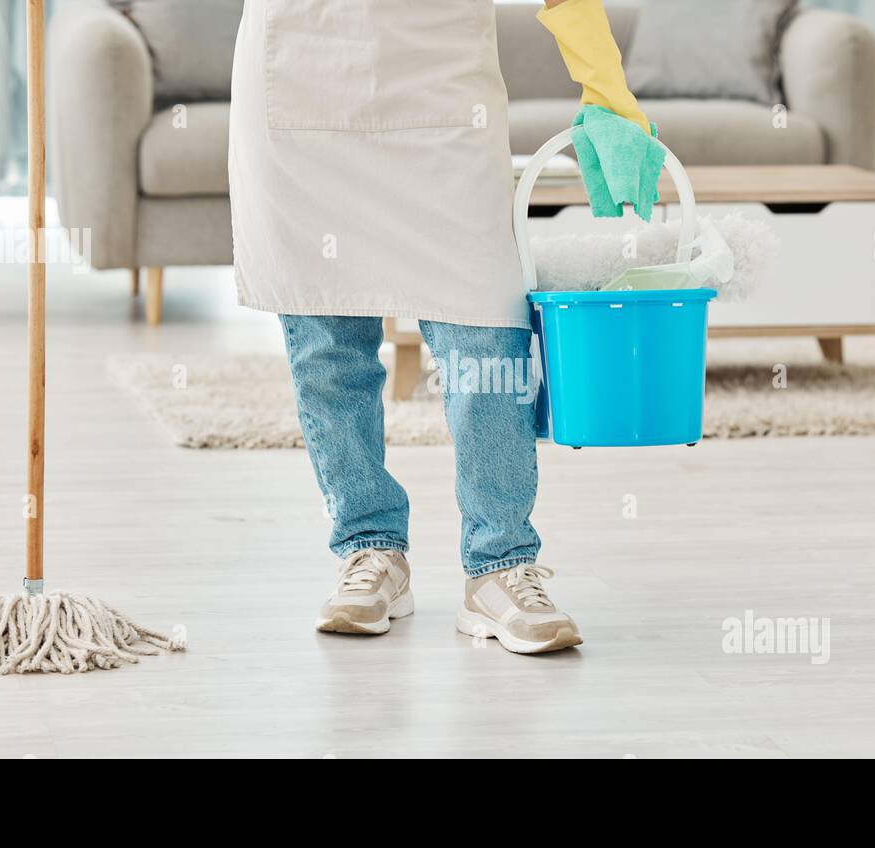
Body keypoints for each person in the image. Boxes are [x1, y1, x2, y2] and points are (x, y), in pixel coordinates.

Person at [229, 0, 652, 654]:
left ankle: (500, 563)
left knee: (486, 332)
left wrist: (606, 88)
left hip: (444, 86)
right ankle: (370, 551)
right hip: (302, 67)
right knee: (327, 341)